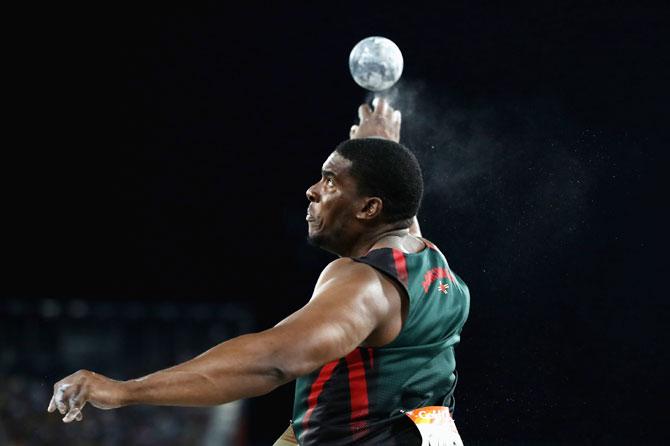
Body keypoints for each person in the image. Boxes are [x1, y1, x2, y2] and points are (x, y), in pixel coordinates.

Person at [48, 98, 470, 445]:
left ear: (369, 208)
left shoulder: (364, 286)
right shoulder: (431, 261)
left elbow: (273, 362)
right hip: (421, 433)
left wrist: (124, 391)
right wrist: (379, 151)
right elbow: (401, 211)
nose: (312, 190)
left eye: (330, 181)